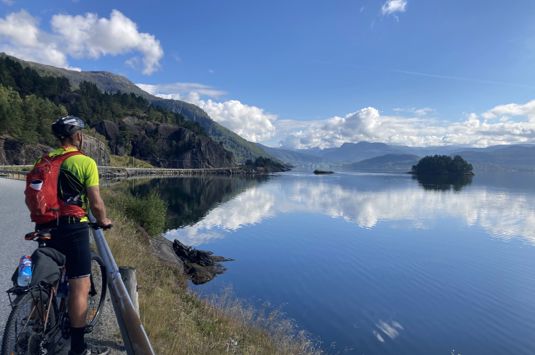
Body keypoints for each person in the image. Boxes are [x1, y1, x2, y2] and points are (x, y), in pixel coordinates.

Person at [34, 115, 112, 355]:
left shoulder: (44, 159)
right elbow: (96, 203)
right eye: (82, 134)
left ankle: (34, 329)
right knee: (80, 284)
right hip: (73, 227)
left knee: (43, 280)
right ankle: (77, 348)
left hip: (45, 226)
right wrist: (103, 221)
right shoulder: (84, 162)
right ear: (77, 136)